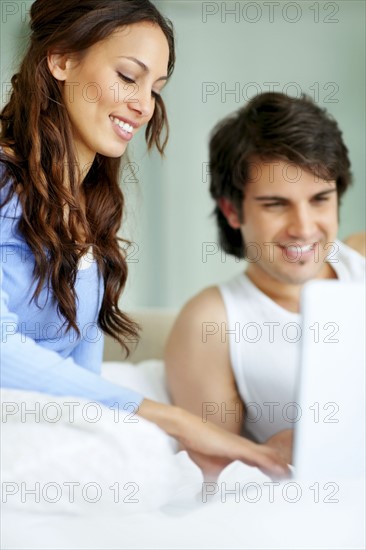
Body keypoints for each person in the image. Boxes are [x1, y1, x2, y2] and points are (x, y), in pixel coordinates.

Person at [0, 0, 289, 480]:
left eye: (155, 89)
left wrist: (131, 423)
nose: (143, 105)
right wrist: (163, 416)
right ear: (61, 60)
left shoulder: (87, 207)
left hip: (36, 421)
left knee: (155, 454)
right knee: (155, 451)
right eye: (128, 76)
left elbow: (81, 376)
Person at [165, 92, 366, 465]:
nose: (304, 229)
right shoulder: (212, 322)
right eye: (276, 205)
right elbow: (211, 482)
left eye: (320, 199)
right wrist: (275, 457)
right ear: (232, 210)